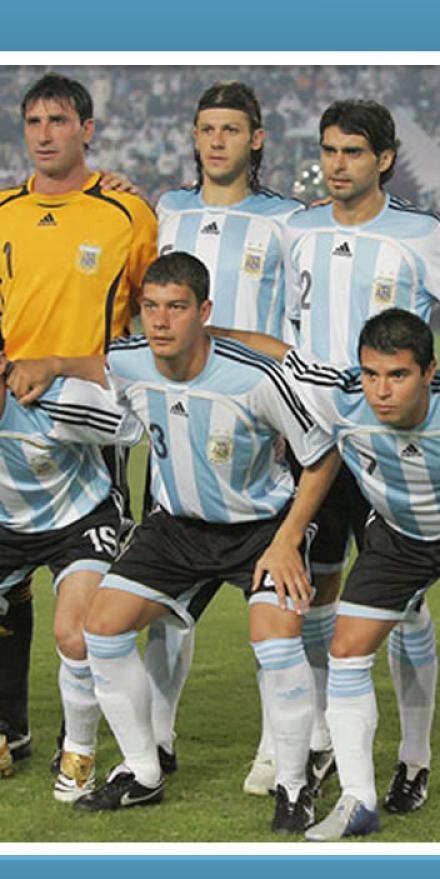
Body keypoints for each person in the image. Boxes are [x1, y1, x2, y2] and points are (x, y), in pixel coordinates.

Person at [221, 308, 440, 841]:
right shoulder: (340, 396)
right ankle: (358, 801)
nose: (381, 391)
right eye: (371, 374)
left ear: (430, 372)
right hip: (399, 538)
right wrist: (203, 332)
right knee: (347, 650)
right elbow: (281, 354)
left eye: (398, 375)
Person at [71, 252, 338, 834]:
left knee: (276, 641)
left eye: (176, 307)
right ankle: (143, 771)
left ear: (204, 311)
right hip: (175, 529)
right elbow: (98, 365)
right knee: (102, 628)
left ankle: (296, 785)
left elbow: (321, 456)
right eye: (150, 307)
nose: (160, 321)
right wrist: (45, 364)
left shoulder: (256, 378)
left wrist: (288, 539)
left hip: (260, 531)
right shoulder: (130, 362)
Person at [282, 99, 440, 813]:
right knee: (311, 593)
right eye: (329, 151)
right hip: (315, 441)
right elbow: (290, 328)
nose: (337, 165)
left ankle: (414, 757)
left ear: (385, 159)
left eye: (353, 152)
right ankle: (320, 740)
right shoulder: (300, 228)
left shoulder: (418, 234)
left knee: (403, 606)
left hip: (391, 447)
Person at [0, 72, 157, 772]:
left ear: (86, 130)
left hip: (87, 422)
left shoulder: (127, 214)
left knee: (81, 597)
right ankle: (10, 729)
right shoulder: (2, 210)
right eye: (34, 121)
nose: (44, 134)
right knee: (11, 578)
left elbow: (159, 315)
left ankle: (83, 739)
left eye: (58, 121)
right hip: (8, 417)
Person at [153, 81, 304, 794]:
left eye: (231, 129)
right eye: (206, 128)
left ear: (257, 139)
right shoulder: (167, 210)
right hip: (179, 428)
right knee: (165, 603)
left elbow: (296, 326)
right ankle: (156, 740)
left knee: (276, 602)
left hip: (259, 428)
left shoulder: (288, 221)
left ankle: (278, 748)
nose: (217, 141)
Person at [0, 342, 142, 801]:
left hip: (78, 520)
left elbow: (135, 424)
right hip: (7, 527)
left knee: (75, 635)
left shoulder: (61, 401)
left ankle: (78, 755)